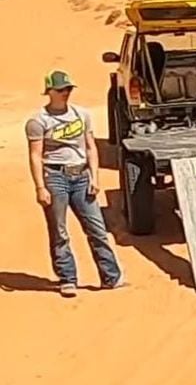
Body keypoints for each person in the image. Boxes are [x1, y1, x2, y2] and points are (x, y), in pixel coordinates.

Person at [25, 70, 125, 297]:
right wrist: (40, 186)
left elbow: (91, 147)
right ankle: (67, 279)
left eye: (68, 89)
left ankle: (112, 276)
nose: (65, 93)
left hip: (81, 177)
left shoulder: (82, 114)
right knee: (60, 232)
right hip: (55, 177)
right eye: (61, 90)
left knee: (97, 229)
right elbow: (35, 155)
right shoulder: (38, 121)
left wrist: (95, 178)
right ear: (49, 91)